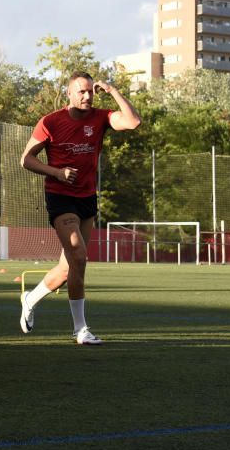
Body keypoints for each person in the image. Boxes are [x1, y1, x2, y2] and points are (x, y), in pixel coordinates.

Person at [19, 72, 140, 344]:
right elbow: (26, 159)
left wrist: (113, 91)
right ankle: (80, 329)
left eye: (91, 92)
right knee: (79, 255)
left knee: (67, 268)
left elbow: (133, 122)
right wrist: (57, 173)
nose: (87, 96)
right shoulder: (50, 121)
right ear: (69, 94)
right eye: (81, 92)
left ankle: (30, 298)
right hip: (60, 197)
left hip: (87, 198)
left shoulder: (100, 117)